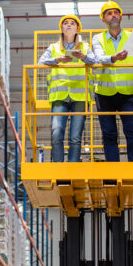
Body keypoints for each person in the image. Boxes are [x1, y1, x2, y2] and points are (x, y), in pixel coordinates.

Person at [92, 0, 133, 162]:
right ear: (103, 19)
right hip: (104, 95)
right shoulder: (98, 38)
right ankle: (114, 173)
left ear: (120, 16)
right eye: (109, 13)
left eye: (116, 12)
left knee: (132, 131)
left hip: (128, 94)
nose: (113, 15)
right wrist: (114, 57)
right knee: (109, 134)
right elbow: (99, 58)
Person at [38, 14, 96, 162]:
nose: (69, 25)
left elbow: (94, 61)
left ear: (77, 29)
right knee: (57, 133)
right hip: (60, 96)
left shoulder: (84, 47)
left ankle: (72, 168)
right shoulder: (54, 47)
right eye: (66, 23)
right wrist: (57, 60)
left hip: (80, 97)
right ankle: (59, 169)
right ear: (62, 28)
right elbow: (41, 62)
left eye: (72, 23)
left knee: (75, 137)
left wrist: (83, 56)